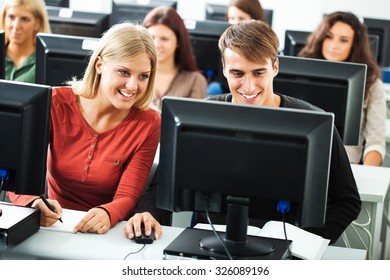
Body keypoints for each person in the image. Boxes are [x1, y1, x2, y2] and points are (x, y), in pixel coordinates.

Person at [201, 20, 361, 244]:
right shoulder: (203, 115)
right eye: (237, 73)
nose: (248, 86)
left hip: (283, 249)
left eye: (259, 73)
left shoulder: (314, 121)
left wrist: (304, 247)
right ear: (224, 68)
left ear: (275, 67)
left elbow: (347, 202)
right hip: (211, 243)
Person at [8, 22, 163, 240]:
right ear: (99, 65)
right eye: (123, 72)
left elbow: (128, 195)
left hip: (107, 231)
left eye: (143, 76)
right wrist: (33, 203)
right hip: (53, 228)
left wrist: (108, 213)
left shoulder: (149, 122)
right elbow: (15, 176)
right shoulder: (55, 103)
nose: (132, 86)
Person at [298, 11, 386, 166]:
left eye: (343, 40)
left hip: (346, 166)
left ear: (354, 45)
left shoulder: (372, 84)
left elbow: (375, 143)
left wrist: (363, 175)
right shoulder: (298, 75)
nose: (334, 45)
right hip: (301, 161)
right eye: (329, 36)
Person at [142, 6, 207, 110]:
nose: (156, 44)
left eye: (164, 39)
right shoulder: (135, 76)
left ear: (178, 42)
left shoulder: (195, 81)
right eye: (152, 37)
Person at [0, 0, 51, 83]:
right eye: (11, 17)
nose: (16, 26)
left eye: (24, 19)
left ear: (37, 23)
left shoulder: (46, 64)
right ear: (4, 18)